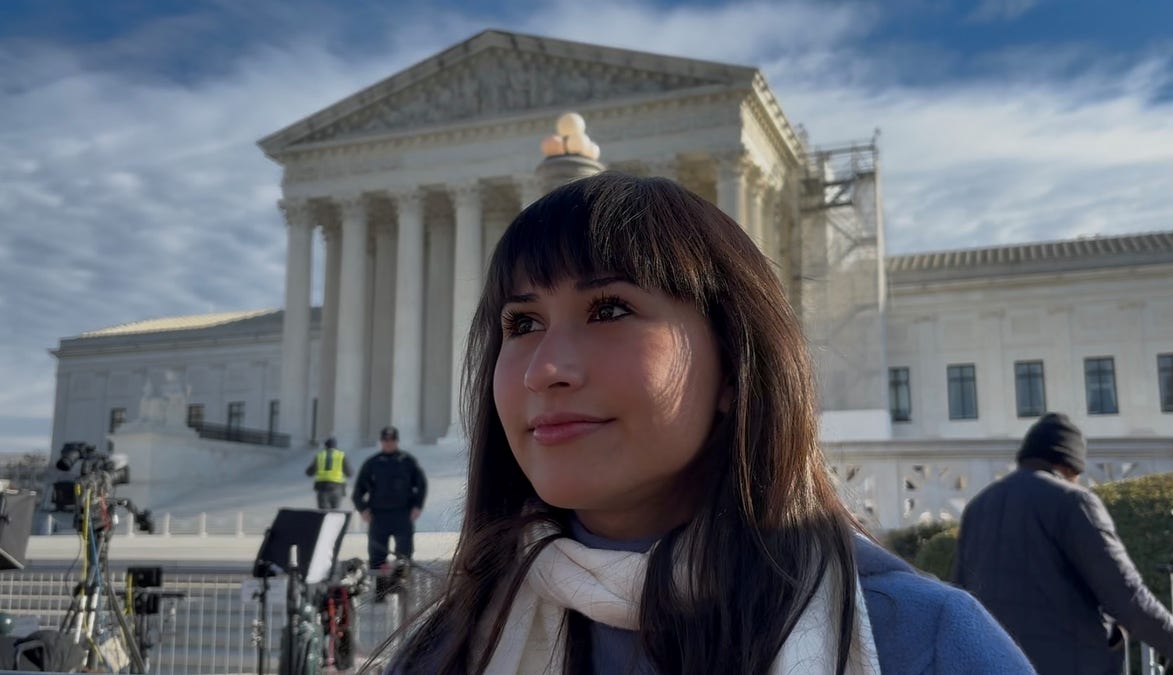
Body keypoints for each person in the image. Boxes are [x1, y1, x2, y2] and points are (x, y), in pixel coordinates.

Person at [377, 173, 1032, 674]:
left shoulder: (923, 643)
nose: (543, 369)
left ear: (733, 365)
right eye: (521, 323)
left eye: (608, 309)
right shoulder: (449, 646)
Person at [955, 412, 1173, 674]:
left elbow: (960, 597)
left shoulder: (979, 506)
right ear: (1070, 466)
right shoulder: (1073, 502)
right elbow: (1127, 596)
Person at [352, 426, 427, 568]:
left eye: (392, 440)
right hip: (378, 516)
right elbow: (357, 491)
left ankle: (402, 588)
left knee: (404, 558)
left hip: (402, 515)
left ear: (397, 441)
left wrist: (418, 506)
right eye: (385, 440)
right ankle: (380, 589)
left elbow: (421, 485)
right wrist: (363, 510)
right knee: (376, 557)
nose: (388, 443)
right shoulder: (372, 463)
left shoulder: (407, 462)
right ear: (381, 441)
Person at [305, 437, 353, 510]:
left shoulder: (320, 456)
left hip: (322, 488)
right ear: (336, 446)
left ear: (325, 446)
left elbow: (309, 472)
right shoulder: (341, 456)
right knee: (334, 513)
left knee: (323, 512)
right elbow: (349, 473)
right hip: (337, 487)